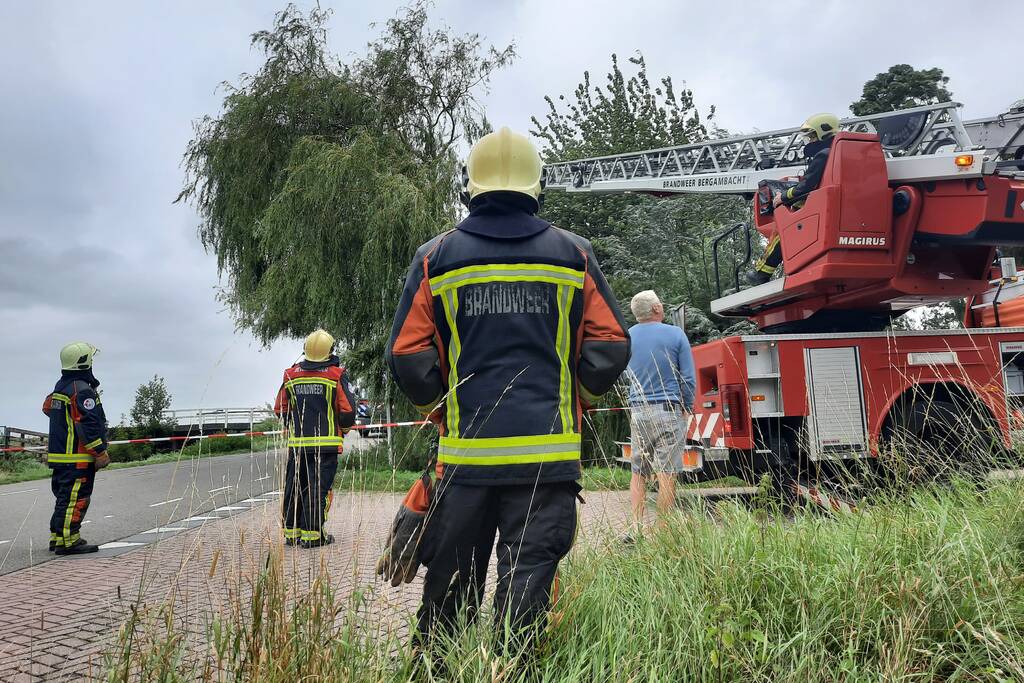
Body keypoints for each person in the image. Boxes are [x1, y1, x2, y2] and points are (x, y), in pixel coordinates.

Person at [387, 126, 631, 651]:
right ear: (536, 185)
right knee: (526, 599)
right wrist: (576, 401)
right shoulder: (574, 254)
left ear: (468, 187)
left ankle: (438, 667)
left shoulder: (436, 257)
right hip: (547, 464)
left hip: (464, 466)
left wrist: (441, 410)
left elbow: (407, 355)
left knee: (449, 598)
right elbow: (610, 345)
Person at [273, 329, 356, 548]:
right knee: (317, 489)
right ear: (330, 352)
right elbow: (347, 412)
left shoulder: (290, 375)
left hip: (297, 446)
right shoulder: (336, 375)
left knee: (294, 488)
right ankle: (313, 536)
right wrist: (344, 429)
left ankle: (291, 533)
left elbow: (280, 409)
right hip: (326, 446)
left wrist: (295, 425)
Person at [624, 291, 695, 539]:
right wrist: (687, 405)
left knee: (638, 471)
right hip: (668, 410)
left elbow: (624, 374)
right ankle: (664, 530)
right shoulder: (675, 334)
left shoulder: (627, 337)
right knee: (667, 473)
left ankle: (635, 528)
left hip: (638, 412)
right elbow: (687, 377)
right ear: (656, 308)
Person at [748, 112, 840, 285]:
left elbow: (807, 186)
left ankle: (761, 273)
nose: (810, 141)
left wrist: (782, 197)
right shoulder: (839, 153)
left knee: (782, 226)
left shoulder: (823, 155)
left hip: (817, 208)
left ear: (823, 133)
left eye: (812, 136)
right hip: (832, 206)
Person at [43, 342, 110, 555]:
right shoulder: (82, 390)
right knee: (76, 499)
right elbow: (88, 424)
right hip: (77, 457)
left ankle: (58, 537)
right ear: (84, 362)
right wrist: (100, 452)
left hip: (61, 456)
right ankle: (69, 541)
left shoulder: (60, 387)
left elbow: (47, 407)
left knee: (64, 498)